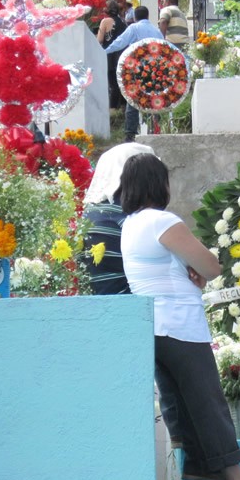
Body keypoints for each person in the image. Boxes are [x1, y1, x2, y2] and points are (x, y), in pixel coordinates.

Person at [119, 153, 240, 480]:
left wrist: (193, 272)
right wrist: (201, 270)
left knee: (181, 399)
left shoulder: (130, 225)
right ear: (159, 184)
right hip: (180, 325)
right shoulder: (162, 221)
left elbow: (180, 270)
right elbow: (211, 264)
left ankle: (199, 465)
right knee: (209, 402)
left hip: (154, 326)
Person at [83, 143, 183, 449]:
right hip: (134, 317)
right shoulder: (131, 218)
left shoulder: (91, 215)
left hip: (97, 317)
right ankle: (182, 447)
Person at [105, 6, 163, 142]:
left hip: (138, 69)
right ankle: (156, 128)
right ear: (148, 16)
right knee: (155, 99)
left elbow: (120, 42)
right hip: (155, 69)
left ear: (135, 17)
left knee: (134, 100)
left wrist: (105, 51)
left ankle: (130, 133)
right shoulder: (157, 31)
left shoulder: (134, 28)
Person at [96, 0, 127, 110]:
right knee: (122, 82)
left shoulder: (105, 21)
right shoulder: (123, 21)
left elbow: (99, 40)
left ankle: (113, 109)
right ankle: (123, 106)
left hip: (110, 55)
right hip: (123, 54)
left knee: (113, 83)